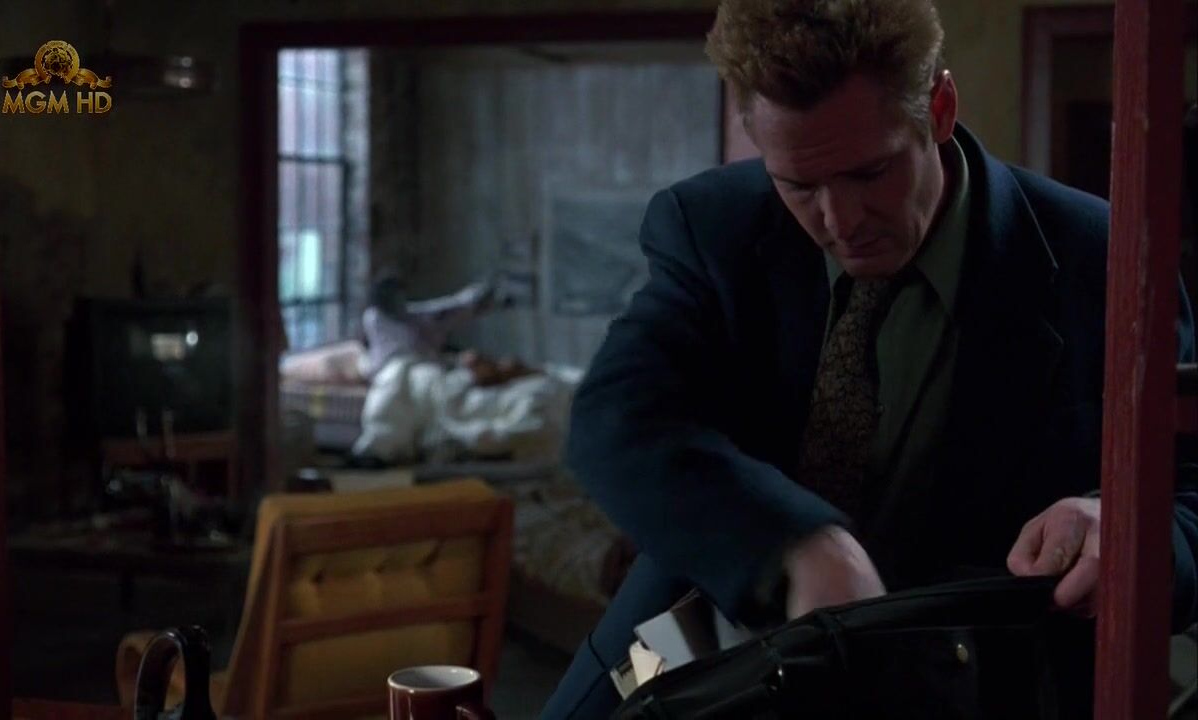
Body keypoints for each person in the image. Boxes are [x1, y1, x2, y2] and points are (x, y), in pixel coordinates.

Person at [540, 1, 1198, 717]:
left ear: (939, 109)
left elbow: (1190, 494)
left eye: (870, 173)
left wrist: (1119, 527)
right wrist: (797, 545)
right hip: (697, 651)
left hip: (975, 688)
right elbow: (616, 418)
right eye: (800, 186)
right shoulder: (711, 225)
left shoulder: (1101, 258)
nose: (841, 222)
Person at [359, 274, 495, 378]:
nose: (400, 300)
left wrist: (468, 300)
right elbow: (411, 342)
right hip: (394, 374)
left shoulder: (406, 316)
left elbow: (435, 311)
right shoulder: (375, 318)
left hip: (412, 369)